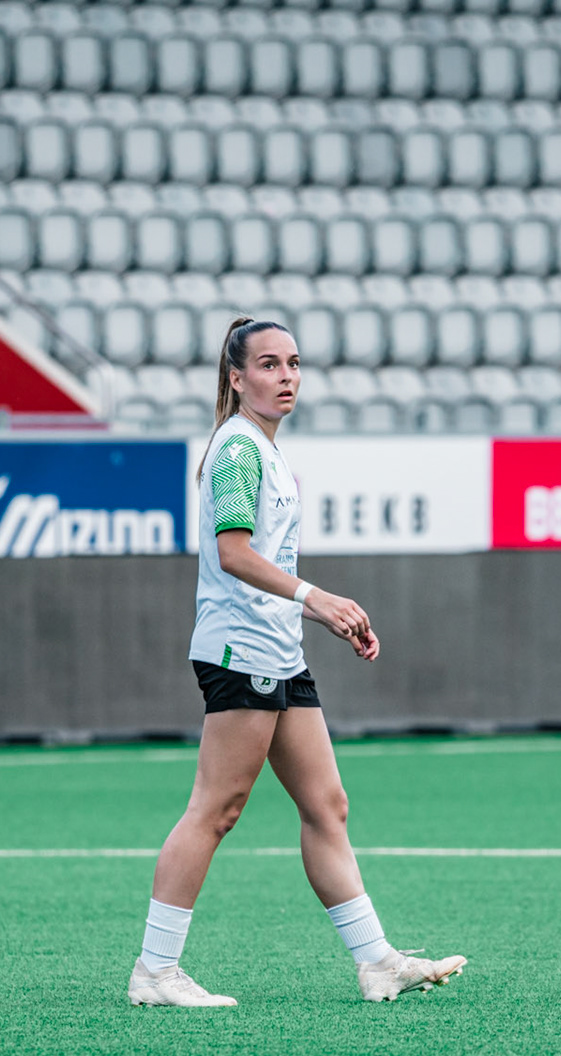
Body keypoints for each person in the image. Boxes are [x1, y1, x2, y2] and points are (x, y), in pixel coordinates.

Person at [128, 317, 468, 1008]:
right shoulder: (237, 449)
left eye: (293, 363)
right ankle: (155, 972)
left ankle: (376, 962)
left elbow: (265, 562)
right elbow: (234, 554)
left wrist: (318, 614)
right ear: (236, 377)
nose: (286, 376)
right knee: (216, 810)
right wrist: (320, 598)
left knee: (327, 806)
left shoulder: (265, 450)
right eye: (268, 365)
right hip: (240, 651)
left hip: (278, 650)